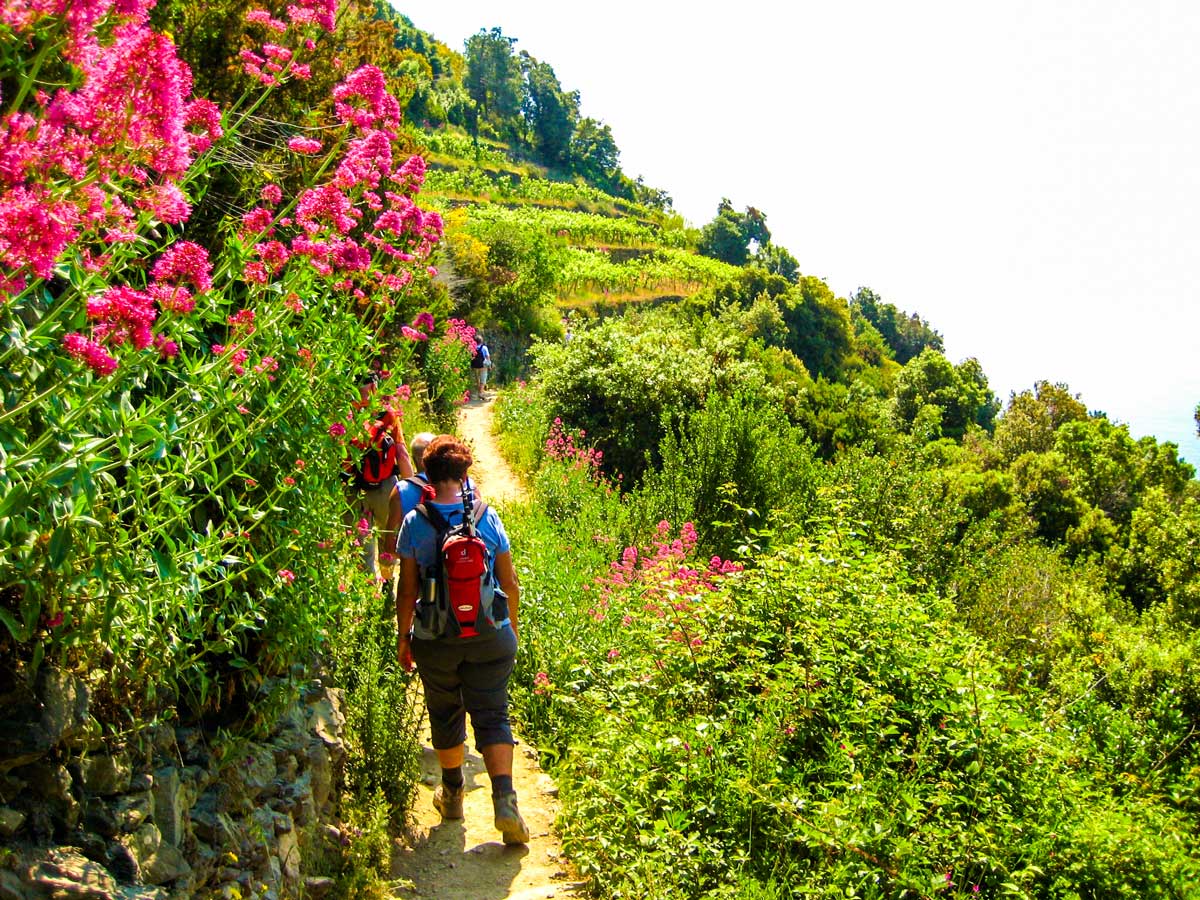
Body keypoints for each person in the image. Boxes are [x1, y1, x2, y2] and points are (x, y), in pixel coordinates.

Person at [394, 435, 528, 845]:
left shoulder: (415, 522)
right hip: (490, 634)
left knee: (445, 711)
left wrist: (404, 638)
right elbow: (509, 582)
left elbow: (407, 590)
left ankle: (452, 795)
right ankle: (504, 801)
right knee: (493, 714)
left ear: (428, 477)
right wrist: (511, 629)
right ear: (465, 474)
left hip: (436, 638)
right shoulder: (488, 518)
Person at [352, 393, 413, 579]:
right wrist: (411, 489)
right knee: (387, 535)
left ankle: (368, 588)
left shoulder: (346, 412)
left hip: (353, 487)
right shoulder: (388, 413)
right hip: (385, 487)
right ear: (374, 387)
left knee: (361, 539)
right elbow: (401, 454)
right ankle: (387, 581)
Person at [470, 335, 491, 400]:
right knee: (483, 379)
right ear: (481, 341)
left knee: (477, 380)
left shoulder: (472, 347)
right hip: (483, 366)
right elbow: (487, 357)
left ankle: (478, 393)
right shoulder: (484, 347)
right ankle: (480, 393)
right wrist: (489, 365)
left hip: (475, 366)